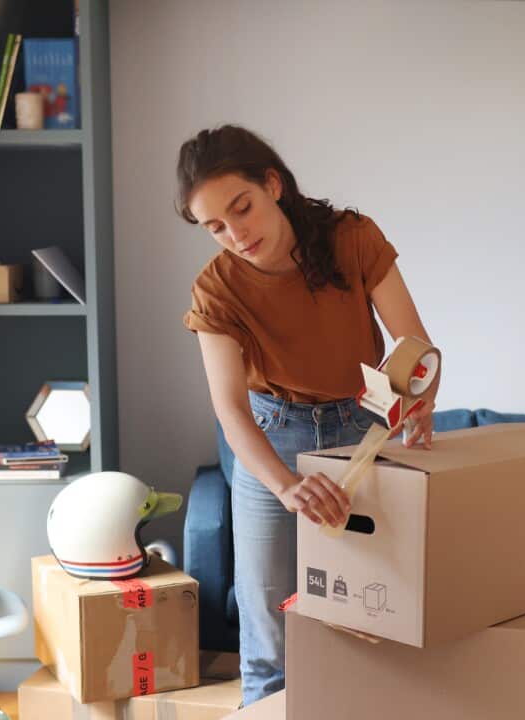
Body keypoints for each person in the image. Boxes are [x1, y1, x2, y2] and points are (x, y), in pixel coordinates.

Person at [178, 125, 438, 705]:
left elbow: (411, 342)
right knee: (269, 632)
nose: (234, 234)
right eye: (214, 226)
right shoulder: (215, 291)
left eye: (241, 208)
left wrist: (420, 396)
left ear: (273, 185)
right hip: (274, 435)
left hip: (363, 424)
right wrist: (287, 486)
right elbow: (230, 407)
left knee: (378, 611)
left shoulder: (351, 238)